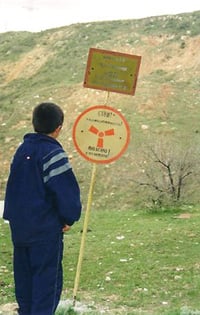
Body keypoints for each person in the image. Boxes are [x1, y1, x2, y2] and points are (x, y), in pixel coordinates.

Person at [3, 102, 82, 315]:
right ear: (59, 127)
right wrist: (68, 217)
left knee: (25, 287)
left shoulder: (22, 150)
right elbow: (65, 192)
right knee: (46, 287)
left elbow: (15, 189)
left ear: (34, 124)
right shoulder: (53, 153)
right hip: (45, 232)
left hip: (20, 231)